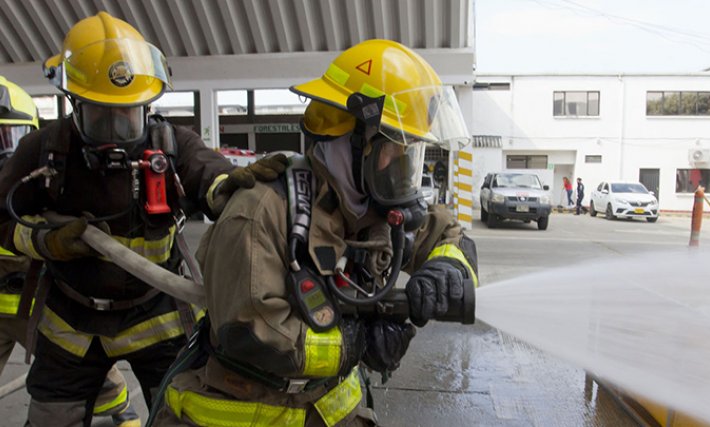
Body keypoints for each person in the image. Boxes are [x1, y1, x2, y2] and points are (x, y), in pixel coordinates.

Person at [149, 39, 479, 426]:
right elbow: (253, 334)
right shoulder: (260, 211)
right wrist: (357, 344)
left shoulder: (371, 206)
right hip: (240, 412)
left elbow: (447, 234)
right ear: (350, 140)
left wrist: (448, 269)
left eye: (411, 152)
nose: (402, 165)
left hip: (327, 408)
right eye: (395, 148)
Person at [0, 13, 286, 426]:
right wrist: (44, 242)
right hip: (70, 324)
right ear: (75, 106)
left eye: (129, 116)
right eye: (102, 118)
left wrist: (230, 190)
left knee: (185, 412)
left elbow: (210, 174)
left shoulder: (170, 147)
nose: (117, 132)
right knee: (50, 418)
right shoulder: (44, 153)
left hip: (156, 318)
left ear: (147, 109)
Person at [0, 75, 142, 426]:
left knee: (90, 376)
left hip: (30, 303)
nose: (3, 152)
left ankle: (123, 411)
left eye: (7, 138)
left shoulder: (35, 185)